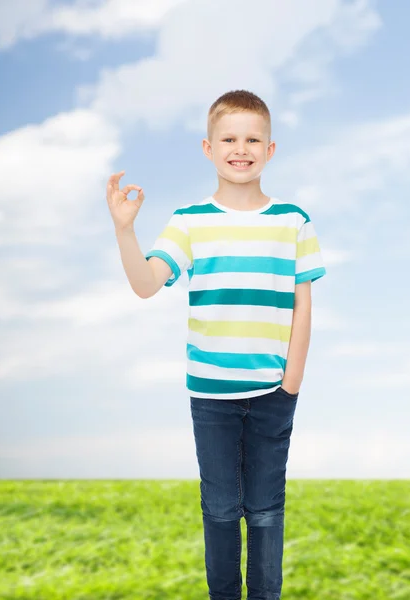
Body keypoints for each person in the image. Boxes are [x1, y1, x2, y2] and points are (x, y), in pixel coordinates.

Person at [107, 89, 326, 600]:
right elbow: (145, 283)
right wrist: (125, 231)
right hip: (210, 395)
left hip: (274, 390)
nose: (241, 148)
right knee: (222, 509)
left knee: (267, 509)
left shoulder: (293, 220)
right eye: (229, 138)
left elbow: (303, 304)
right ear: (208, 148)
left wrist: (291, 380)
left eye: (253, 139)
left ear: (270, 150)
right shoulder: (189, 221)